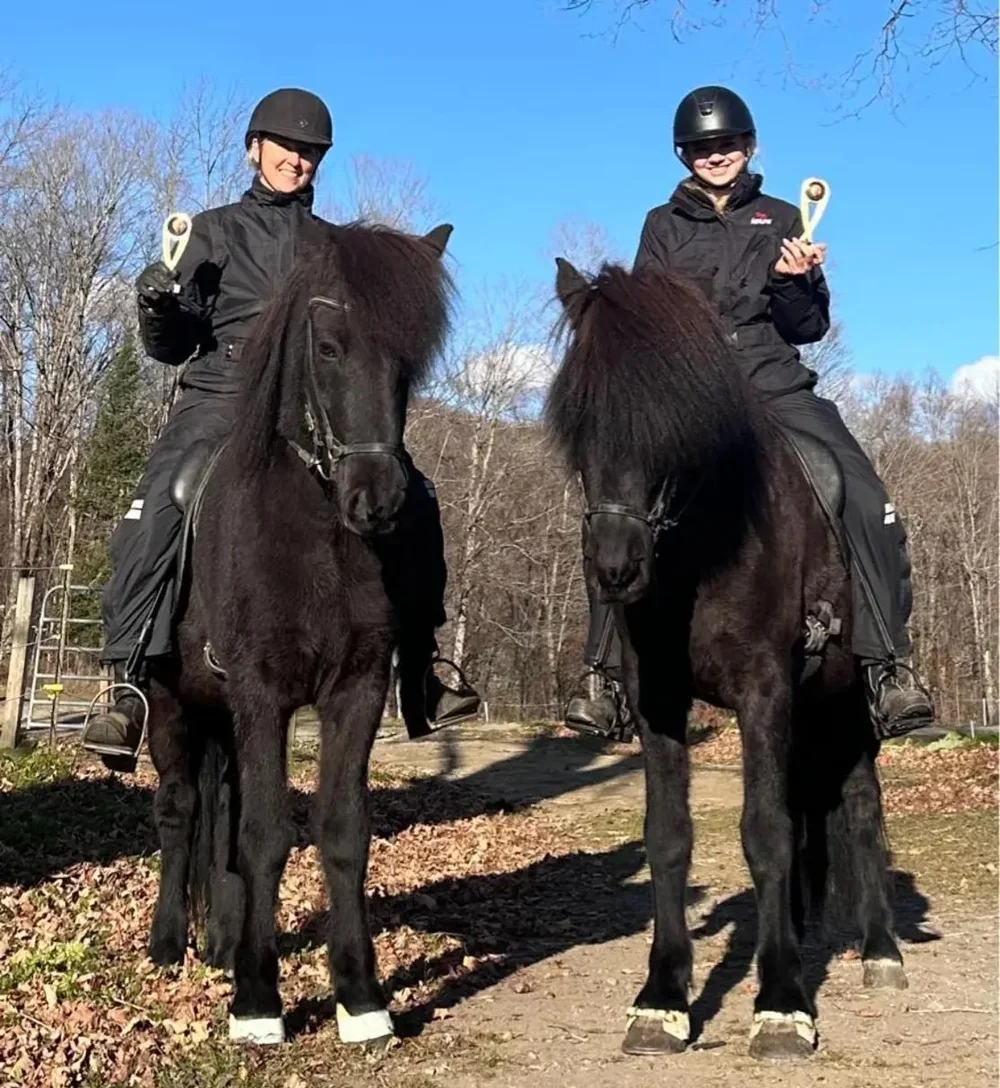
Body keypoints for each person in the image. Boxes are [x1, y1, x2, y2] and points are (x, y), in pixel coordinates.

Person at [83, 88, 480, 765]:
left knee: (417, 492)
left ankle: (421, 668)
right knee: (161, 499)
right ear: (254, 150)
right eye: (286, 148)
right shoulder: (211, 231)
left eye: (309, 152)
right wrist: (157, 304)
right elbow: (174, 345)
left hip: (311, 408)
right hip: (223, 396)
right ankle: (128, 682)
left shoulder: (334, 246)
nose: (297, 160)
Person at [564, 85, 933, 742]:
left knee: (864, 492)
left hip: (774, 385)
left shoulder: (785, 216)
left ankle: (887, 665)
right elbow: (645, 323)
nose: (717, 155)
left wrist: (799, 280)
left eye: (727, 144)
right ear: (685, 154)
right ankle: (604, 675)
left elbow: (808, 325)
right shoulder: (662, 225)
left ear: (749, 146)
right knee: (614, 502)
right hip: (694, 395)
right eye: (703, 147)